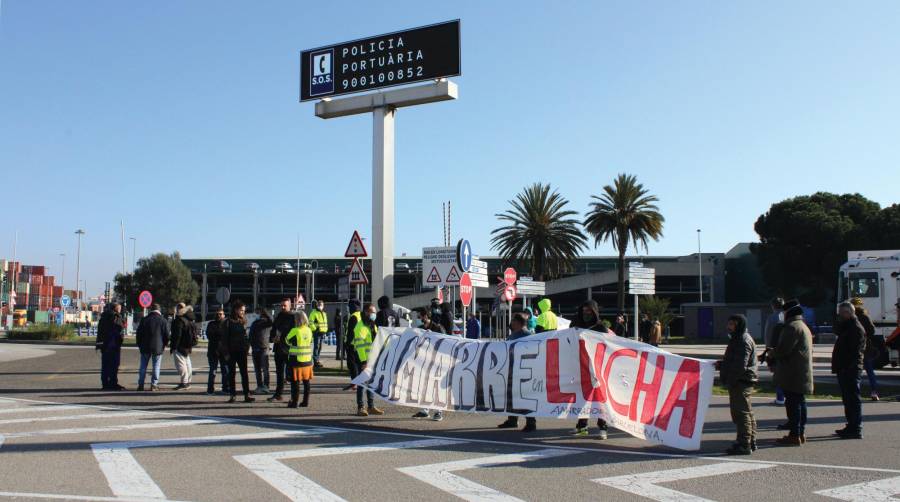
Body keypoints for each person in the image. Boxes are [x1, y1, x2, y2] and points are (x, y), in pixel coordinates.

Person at [767, 299, 813, 446]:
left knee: (793, 405)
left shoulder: (792, 327)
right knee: (800, 402)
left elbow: (783, 350)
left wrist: (771, 353)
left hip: (792, 372)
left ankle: (794, 435)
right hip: (800, 371)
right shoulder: (802, 325)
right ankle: (800, 433)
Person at [717, 314, 758, 455]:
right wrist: (722, 365)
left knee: (741, 414)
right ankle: (750, 441)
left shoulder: (742, 340)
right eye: (729, 324)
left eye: (732, 324)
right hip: (741, 380)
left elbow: (740, 365)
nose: (729, 327)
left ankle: (744, 443)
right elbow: (734, 360)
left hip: (741, 381)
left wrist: (730, 380)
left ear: (739, 325)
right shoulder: (738, 339)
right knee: (746, 412)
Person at [570, 300, 610, 439]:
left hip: (597, 370)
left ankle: (603, 428)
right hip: (581, 368)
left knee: (600, 400)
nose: (586, 313)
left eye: (589, 311)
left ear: (594, 312)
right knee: (582, 398)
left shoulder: (601, 328)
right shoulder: (576, 326)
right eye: (584, 311)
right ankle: (582, 426)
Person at [497, 313, 537, 432]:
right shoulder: (513, 336)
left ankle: (531, 422)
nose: (511, 323)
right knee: (511, 396)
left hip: (524, 372)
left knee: (525, 397)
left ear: (518, 322)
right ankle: (512, 420)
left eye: (513, 321)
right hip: (512, 370)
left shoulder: (528, 336)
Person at [832, 301, 866, 439]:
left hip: (850, 369)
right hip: (844, 368)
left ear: (848, 313)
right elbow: (837, 330)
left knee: (853, 399)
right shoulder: (847, 327)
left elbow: (855, 351)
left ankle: (856, 427)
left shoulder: (856, 328)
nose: (839, 316)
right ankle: (851, 424)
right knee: (848, 399)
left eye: (841, 314)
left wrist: (848, 368)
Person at [412, 309, 446, 421]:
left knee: (436, 386)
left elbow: (445, 343)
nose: (418, 319)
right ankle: (425, 410)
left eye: (419, 316)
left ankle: (438, 411)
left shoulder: (438, 328)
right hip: (424, 361)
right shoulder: (421, 329)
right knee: (424, 385)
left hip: (436, 362)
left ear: (425, 316)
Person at [220, 300, 255, 403]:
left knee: (244, 374)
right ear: (235, 310)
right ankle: (232, 395)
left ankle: (246, 395)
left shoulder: (243, 321)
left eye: (244, 310)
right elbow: (224, 339)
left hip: (242, 352)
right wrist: (226, 353)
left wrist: (247, 347)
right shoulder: (227, 322)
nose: (243, 312)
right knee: (232, 374)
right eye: (241, 310)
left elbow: (246, 337)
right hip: (231, 352)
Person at [352, 303, 384, 417]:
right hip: (363, 360)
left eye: (374, 312)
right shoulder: (360, 327)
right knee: (362, 383)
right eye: (372, 312)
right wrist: (364, 362)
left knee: (371, 383)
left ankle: (370, 406)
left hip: (371, 359)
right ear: (366, 312)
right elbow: (360, 347)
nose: (374, 314)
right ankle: (360, 407)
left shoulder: (371, 325)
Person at [850, 297, 879, 401]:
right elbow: (872, 330)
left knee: (855, 371)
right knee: (868, 370)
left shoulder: (851, 317)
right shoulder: (865, 316)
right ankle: (874, 391)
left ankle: (856, 392)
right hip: (865, 347)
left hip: (855, 348)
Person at [136, 304, 170, 391]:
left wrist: (139, 344)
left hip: (145, 346)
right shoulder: (163, 321)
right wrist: (164, 344)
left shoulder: (144, 320)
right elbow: (166, 335)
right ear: (159, 310)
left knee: (143, 366)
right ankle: (154, 385)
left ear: (151, 310)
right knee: (156, 366)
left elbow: (139, 334)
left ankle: (141, 384)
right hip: (158, 347)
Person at [268, 299, 296, 402]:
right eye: (282, 305)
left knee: (291, 375)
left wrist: (283, 338)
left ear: (290, 306)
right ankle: (278, 394)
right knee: (279, 373)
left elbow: (294, 333)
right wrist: (272, 338)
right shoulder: (279, 316)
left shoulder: (293, 317)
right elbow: (273, 329)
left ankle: (294, 396)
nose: (283, 307)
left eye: (285, 305)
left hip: (288, 349)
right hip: (278, 348)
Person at [284, 311, 314, 408]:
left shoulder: (295, 330)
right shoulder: (309, 330)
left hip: (296, 360)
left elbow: (287, 341)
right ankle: (305, 402)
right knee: (306, 382)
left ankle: (294, 402)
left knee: (295, 382)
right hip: (308, 360)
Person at [762, 297, 786, 406]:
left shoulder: (772, 318)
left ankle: (780, 398)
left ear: (773, 306)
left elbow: (767, 336)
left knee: (777, 374)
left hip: (775, 349)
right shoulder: (788, 317)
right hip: (787, 349)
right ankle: (787, 396)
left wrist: (768, 350)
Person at [98, 303, 125, 390]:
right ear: (116, 309)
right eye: (119, 308)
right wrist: (120, 340)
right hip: (113, 344)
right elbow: (118, 330)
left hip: (104, 345)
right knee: (114, 365)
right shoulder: (116, 317)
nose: (120, 309)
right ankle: (113, 383)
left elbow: (100, 331)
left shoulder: (103, 317)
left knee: (105, 365)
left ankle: (105, 383)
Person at [169, 303, 197, 391]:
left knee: (181, 365)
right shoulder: (189, 319)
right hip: (187, 346)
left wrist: (174, 347)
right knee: (187, 364)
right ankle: (188, 381)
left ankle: (184, 383)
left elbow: (177, 335)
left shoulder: (179, 320)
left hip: (180, 346)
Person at [205, 308, 229, 395]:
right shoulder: (211, 324)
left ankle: (225, 388)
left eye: (221, 314)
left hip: (224, 352)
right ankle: (210, 390)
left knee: (225, 371)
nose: (219, 315)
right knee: (213, 371)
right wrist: (220, 334)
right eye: (217, 314)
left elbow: (227, 337)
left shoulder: (227, 324)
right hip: (213, 351)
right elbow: (210, 335)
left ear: (224, 315)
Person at [249, 308, 273, 395]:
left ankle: (266, 386)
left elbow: (272, 320)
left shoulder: (266, 323)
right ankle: (259, 386)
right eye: (256, 313)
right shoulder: (254, 323)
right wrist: (249, 347)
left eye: (258, 313)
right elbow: (250, 336)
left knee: (265, 369)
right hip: (255, 348)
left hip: (264, 348)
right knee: (257, 370)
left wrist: (266, 313)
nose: (256, 314)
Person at [342, 299, 362, 392]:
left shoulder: (353, 317)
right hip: (360, 344)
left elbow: (351, 332)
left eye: (349, 307)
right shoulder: (361, 315)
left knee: (352, 365)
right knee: (358, 365)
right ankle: (357, 383)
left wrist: (347, 343)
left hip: (352, 345)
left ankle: (355, 383)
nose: (348, 309)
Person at [309, 299, 329, 368]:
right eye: (319, 305)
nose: (320, 306)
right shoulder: (314, 313)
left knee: (320, 347)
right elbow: (310, 322)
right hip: (317, 332)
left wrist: (326, 330)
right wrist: (315, 329)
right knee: (316, 347)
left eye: (321, 305)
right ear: (317, 305)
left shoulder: (324, 313)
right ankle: (316, 361)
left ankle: (317, 359)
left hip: (322, 332)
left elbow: (325, 323)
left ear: (323, 306)